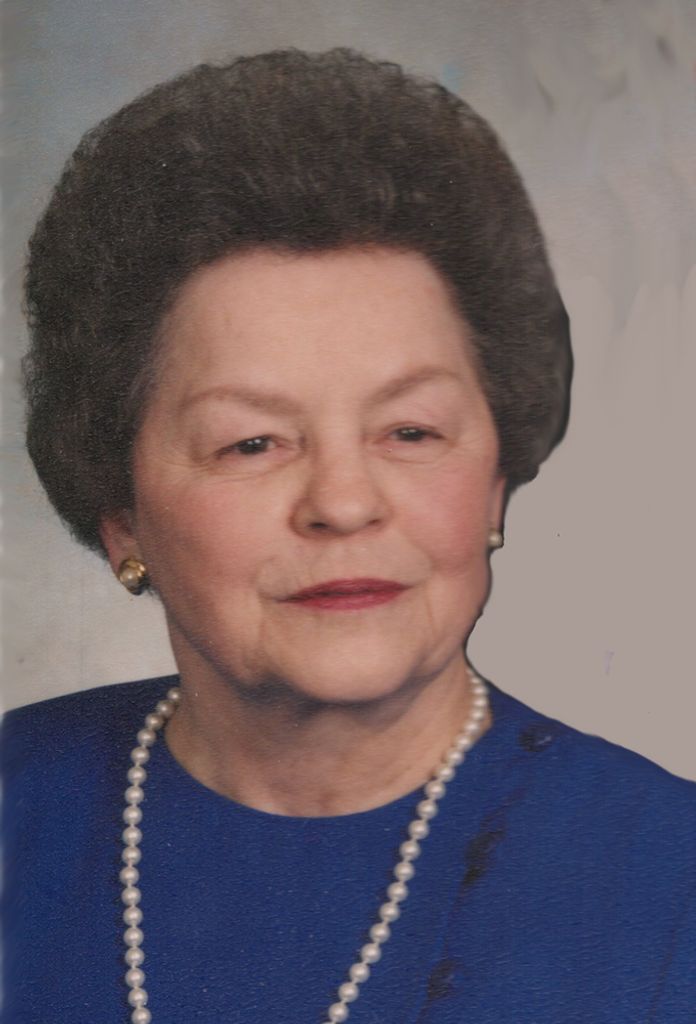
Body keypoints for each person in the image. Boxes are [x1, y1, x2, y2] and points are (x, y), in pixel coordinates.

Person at [2, 48, 694, 1024]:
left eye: (410, 431)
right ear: (121, 517)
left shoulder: (668, 873)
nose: (344, 501)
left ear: (495, 483)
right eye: (251, 442)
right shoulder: (21, 804)